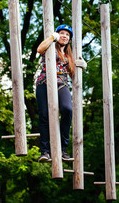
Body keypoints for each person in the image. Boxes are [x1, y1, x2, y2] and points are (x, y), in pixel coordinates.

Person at [36, 24, 75, 162]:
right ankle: (45, 151)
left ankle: (63, 149)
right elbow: (39, 48)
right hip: (44, 81)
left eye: (67, 35)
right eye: (62, 33)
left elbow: (73, 75)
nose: (64, 36)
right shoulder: (50, 47)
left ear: (69, 39)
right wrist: (52, 37)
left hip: (61, 83)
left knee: (67, 109)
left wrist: (80, 66)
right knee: (44, 115)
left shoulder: (69, 56)